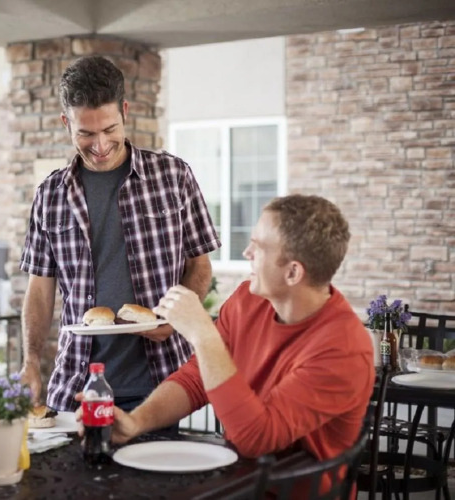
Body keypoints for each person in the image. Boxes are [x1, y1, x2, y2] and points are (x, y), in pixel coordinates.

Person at [78, 194, 374, 463]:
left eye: (258, 247)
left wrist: (203, 334)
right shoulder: (248, 300)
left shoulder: (344, 348)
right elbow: (195, 380)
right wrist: (135, 422)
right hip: (237, 476)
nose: (247, 252)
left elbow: (257, 439)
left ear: (293, 272)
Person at [20, 55, 221, 412]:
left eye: (109, 130)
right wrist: (31, 362)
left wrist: (174, 320)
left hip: (160, 384)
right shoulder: (50, 194)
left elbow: (199, 265)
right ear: (66, 122)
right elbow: (39, 289)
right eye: (85, 133)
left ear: (124, 112)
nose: (100, 145)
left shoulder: (173, 176)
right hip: (77, 385)